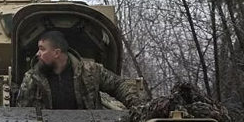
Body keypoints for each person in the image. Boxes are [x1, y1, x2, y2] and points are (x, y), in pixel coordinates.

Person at [16, 30, 147, 109]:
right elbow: (22, 113)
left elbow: (118, 85)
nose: (38, 53)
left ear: (57, 53)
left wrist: (138, 107)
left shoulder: (90, 70)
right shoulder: (32, 78)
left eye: (42, 49)